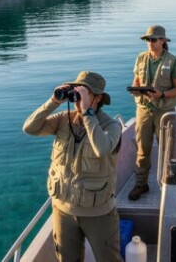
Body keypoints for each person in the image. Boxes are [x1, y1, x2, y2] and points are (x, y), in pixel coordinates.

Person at [23, 71, 123, 262]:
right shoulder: (63, 120)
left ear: (98, 98)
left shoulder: (111, 126)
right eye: (76, 95)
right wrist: (53, 101)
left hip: (98, 213)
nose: (77, 101)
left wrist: (87, 113)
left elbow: (101, 148)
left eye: (84, 95)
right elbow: (29, 128)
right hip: (63, 210)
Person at [128, 25, 176, 201]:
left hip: (165, 112)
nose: (150, 43)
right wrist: (136, 90)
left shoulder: (172, 61)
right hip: (144, 110)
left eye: (153, 39)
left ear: (163, 41)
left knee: (168, 148)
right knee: (142, 150)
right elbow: (136, 81)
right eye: (147, 40)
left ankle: (170, 181)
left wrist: (162, 94)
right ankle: (141, 184)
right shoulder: (140, 58)